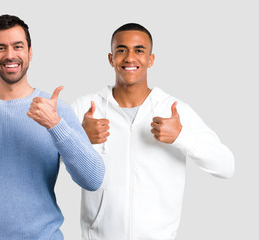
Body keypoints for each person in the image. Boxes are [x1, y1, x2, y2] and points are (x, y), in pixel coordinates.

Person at [0, 14, 105, 240]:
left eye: (17, 46)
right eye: (1, 48)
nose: (10, 55)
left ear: (30, 52)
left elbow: (93, 179)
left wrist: (55, 125)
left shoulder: (56, 111)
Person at [71, 23, 235, 240]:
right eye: (121, 50)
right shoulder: (86, 108)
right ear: (111, 59)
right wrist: (80, 139)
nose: (130, 58)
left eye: (139, 50)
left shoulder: (173, 110)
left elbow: (226, 166)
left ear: (151, 59)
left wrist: (181, 137)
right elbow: (50, 163)